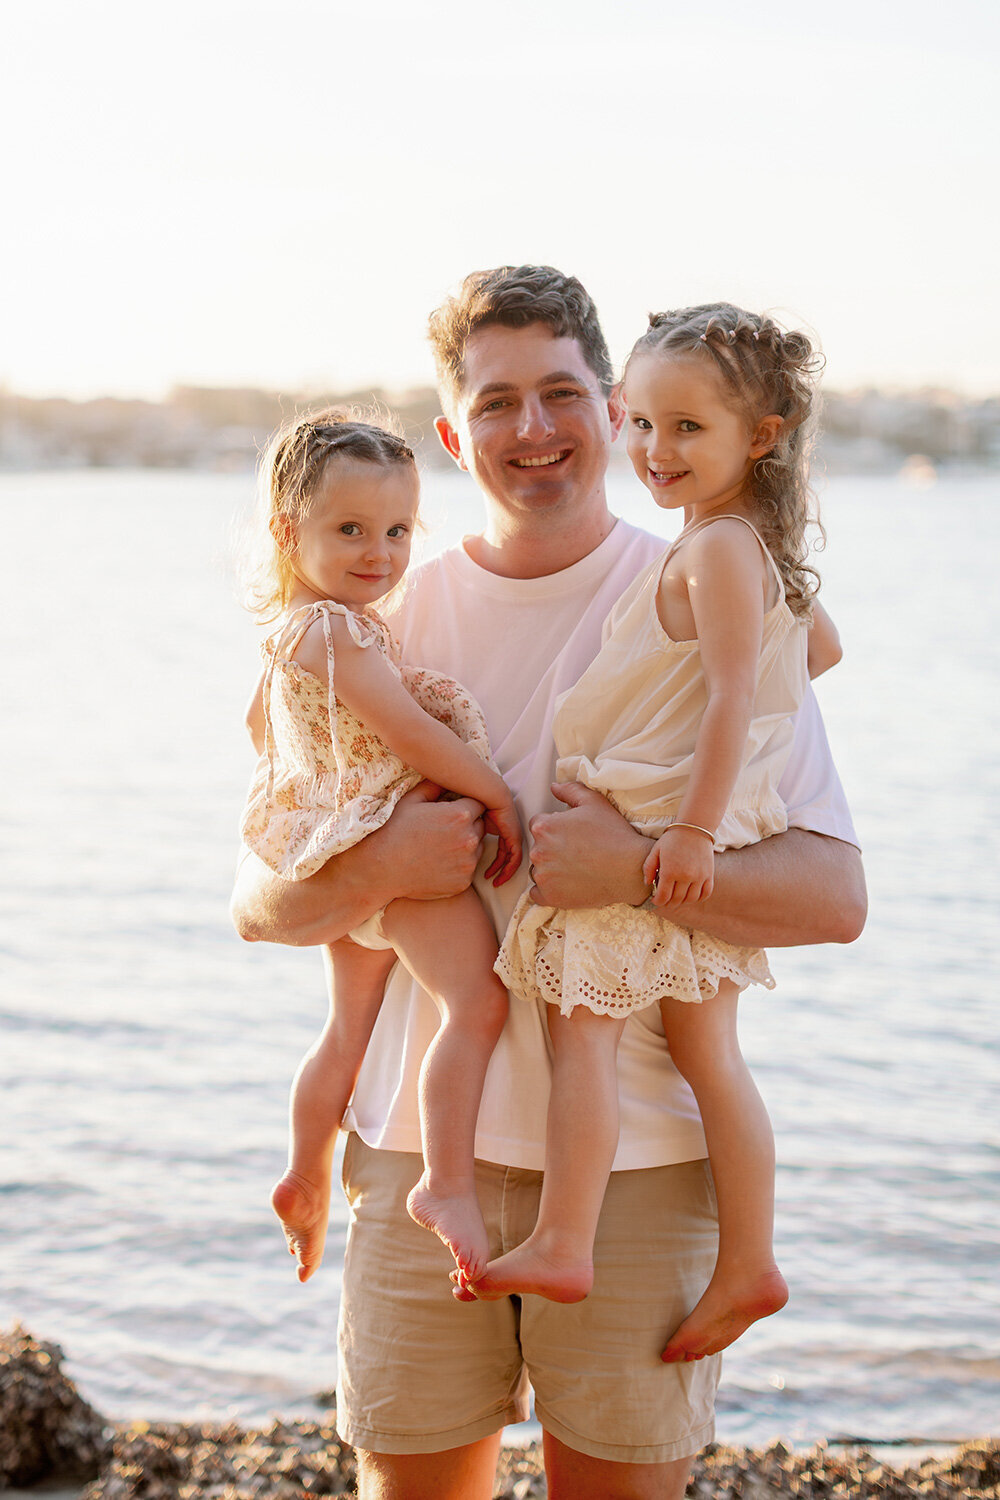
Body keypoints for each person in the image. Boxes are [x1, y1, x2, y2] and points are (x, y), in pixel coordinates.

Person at [232, 266, 866, 1500]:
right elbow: (262, 900)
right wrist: (382, 862)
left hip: (638, 1168)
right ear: (449, 432)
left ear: (611, 405)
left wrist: (633, 868)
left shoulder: (702, 590)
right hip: (421, 1164)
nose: (534, 430)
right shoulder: (373, 607)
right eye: (499, 400)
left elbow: (831, 896)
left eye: (563, 393)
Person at [485, 303, 842, 1367]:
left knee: (581, 1031)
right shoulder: (739, 546)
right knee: (707, 1052)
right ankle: (750, 1263)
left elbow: (740, 690)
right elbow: (811, 649)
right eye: (639, 422)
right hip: (695, 818)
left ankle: (562, 1239)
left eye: (686, 428)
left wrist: (685, 826)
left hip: (658, 826)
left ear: (760, 436)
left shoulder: (720, 548)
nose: (653, 451)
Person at [239, 410, 521, 1286]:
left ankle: (305, 1169)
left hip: (337, 854)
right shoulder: (339, 632)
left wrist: (316, 792)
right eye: (351, 530)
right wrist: (493, 791)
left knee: (346, 1032)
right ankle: (446, 1183)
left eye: (398, 530)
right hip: (397, 860)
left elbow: (258, 732)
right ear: (290, 532)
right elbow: (406, 732)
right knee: (476, 1007)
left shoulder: (286, 637)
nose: (380, 552)